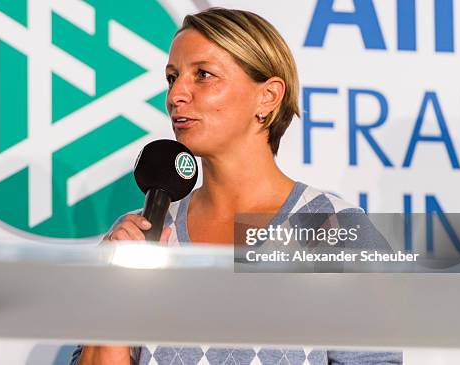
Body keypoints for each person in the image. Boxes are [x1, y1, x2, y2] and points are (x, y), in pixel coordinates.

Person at [71, 7, 402, 365]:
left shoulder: (333, 227)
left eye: (203, 75)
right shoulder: (142, 231)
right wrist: (112, 290)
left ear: (269, 96)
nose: (176, 95)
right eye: (172, 77)